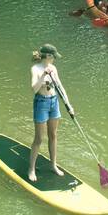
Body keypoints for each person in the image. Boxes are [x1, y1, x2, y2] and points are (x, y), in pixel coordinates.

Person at [29, 44, 72, 182]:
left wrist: (69, 105)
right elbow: (34, 89)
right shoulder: (35, 69)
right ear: (48, 56)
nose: (54, 59)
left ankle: (53, 165)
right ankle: (31, 169)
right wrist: (43, 75)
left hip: (54, 103)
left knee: (53, 135)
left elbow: (60, 86)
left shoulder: (53, 68)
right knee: (39, 139)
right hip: (41, 103)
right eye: (53, 56)